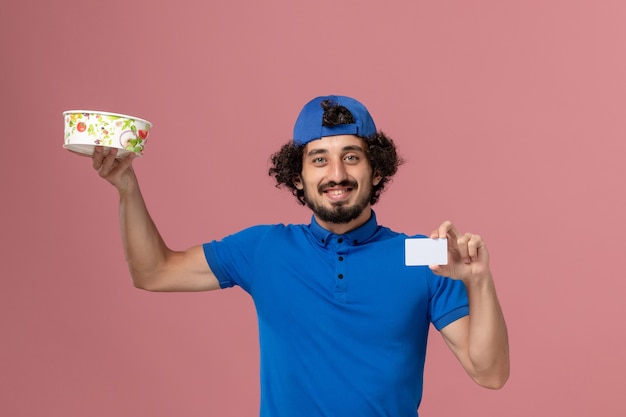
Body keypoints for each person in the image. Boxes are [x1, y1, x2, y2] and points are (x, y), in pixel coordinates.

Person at [92, 95, 509, 417]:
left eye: (352, 157)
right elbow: (154, 272)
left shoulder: (422, 254)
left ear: (376, 170)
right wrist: (127, 186)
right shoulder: (264, 249)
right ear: (298, 176)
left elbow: (490, 374)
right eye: (319, 160)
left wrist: (479, 280)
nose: (337, 175)